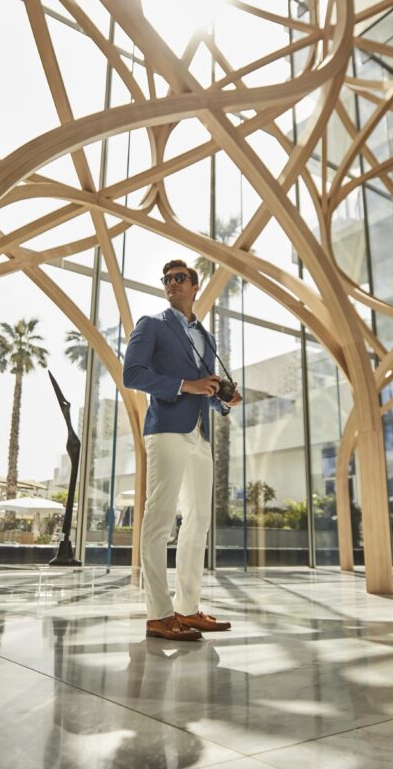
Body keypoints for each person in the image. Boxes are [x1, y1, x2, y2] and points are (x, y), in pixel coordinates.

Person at [123, 259, 242, 641]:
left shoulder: (207, 338)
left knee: (198, 521)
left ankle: (187, 608)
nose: (171, 283)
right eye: (167, 280)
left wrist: (222, 399)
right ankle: (159, 614)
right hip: (167, 429)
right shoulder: (152, 324)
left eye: (179, 278)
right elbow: (133, 374)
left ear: (195, 286)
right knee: (159, 519)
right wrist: (185, 386)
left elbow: (204, 388)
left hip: (200, 435)